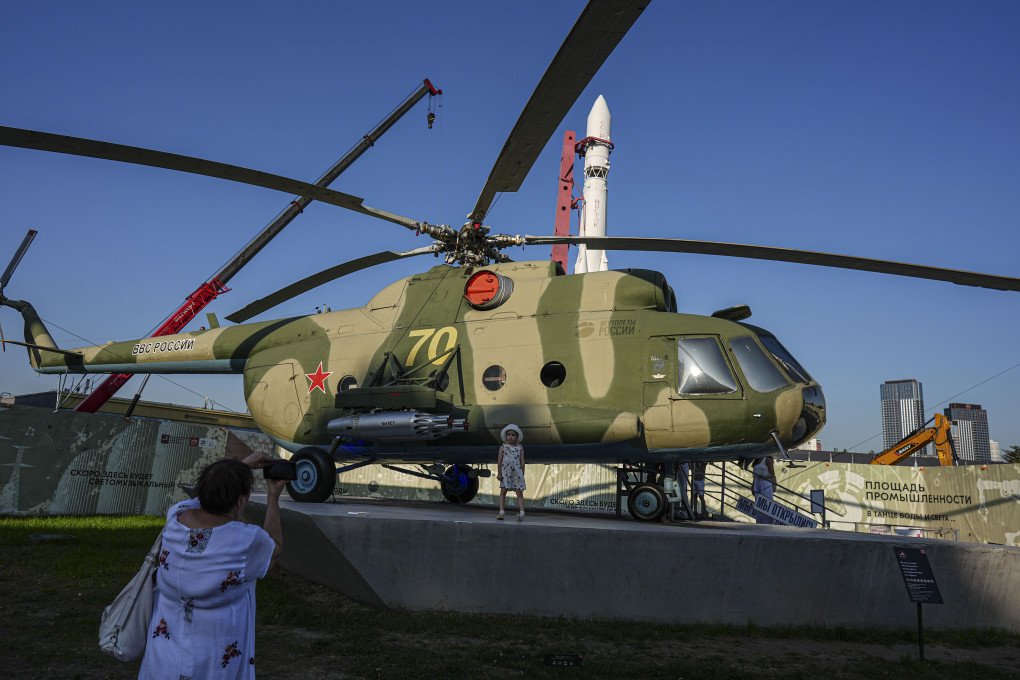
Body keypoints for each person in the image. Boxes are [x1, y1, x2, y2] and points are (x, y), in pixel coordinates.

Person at [138, 453, 285, 679]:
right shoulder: (247, 541)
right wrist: (273, 497)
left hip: (165, 658)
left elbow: (201, 498)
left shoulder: (176, 516)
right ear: (240, 501)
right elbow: (274, 547)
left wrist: (238, 467)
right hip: (215, 662)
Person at [496, 424, 526, 521]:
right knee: (503, 491)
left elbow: (522, 461)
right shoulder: (503, 447)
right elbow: (500, 461)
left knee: (519, 492)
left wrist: (522, 473)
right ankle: (501, 512)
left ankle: (522, 512)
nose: (510, 436)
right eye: (508, 434)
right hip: (506, 472)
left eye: (513, 435)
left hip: (516, 473)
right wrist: (499, 473)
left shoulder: (520, 447)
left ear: (517, 437)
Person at [751, 455, 777, 524]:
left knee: (767, 503)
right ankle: (759, 521)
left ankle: (769, 522)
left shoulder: (768, 459)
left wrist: (764, 476)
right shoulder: (756, 459)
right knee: (758, 503)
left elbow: (772, 474)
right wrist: (752, 485)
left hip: (765, 482)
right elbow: (754, 475)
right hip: (757, 482)